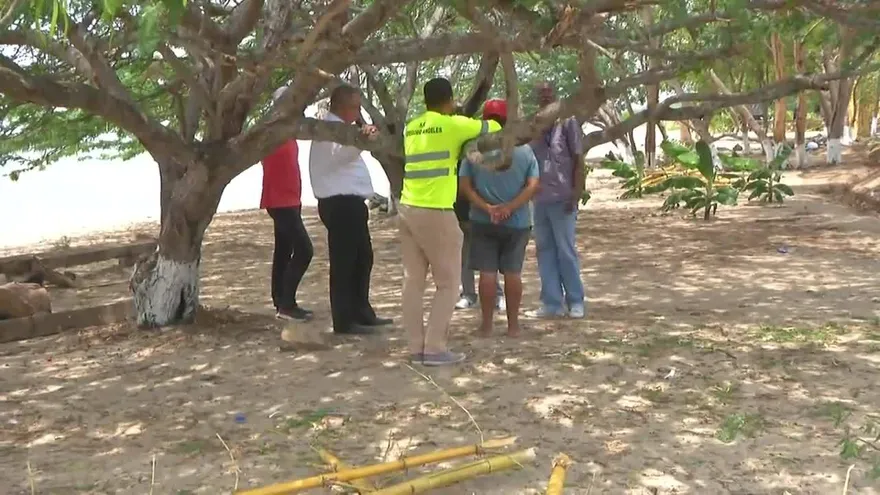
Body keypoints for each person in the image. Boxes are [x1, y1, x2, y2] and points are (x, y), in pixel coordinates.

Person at [399, 77, 502, 366]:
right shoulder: (452, 124)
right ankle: (434, 348)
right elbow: (491, 127)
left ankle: (415, 347)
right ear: (450, 100)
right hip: (436, 211)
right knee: (449, 283)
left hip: (407, 208)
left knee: (413, 282)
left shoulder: (412, 127)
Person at [309, 84, 392, 335]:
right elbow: (339, 157)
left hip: (350, 203)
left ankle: (361, 312)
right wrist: (362, 140)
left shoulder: (342, 129)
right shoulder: (331, 129)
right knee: (345, 262)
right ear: (342, 106)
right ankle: (344, 321)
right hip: (340, 202)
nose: (358, 113)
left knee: (362, 258)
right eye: (355, 107)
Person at [458, 99, 540, 338]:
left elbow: (465, 186)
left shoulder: (474, 150)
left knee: (487, 273)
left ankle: (486, 326)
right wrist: (510, 207)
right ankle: (513, 326)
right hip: (518, 223)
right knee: (513, 273)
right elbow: (533, 184)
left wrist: (487, 207)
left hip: (483, 221)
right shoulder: (524, 150)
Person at [527, 81, 587, 319]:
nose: (545, 97)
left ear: (556, 96)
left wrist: (576, 193)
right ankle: (552, 302)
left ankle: (575, 300)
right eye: (541, 94)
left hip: (563, 198)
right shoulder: (532, 125)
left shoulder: (568, 123)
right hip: (539, 199)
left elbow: (578, 160)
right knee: (544, 250)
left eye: (548, 93)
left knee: (566, 250)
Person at [261, 87, 313, 321]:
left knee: (284, 250)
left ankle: (281, 301)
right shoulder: (270, 130)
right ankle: (286, 303)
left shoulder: (288, 128)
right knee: (304, 249)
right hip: (279, 199)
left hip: (291, 198)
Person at [454, 172, 504, 312]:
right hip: (460, 211)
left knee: (489, 256)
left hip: (483, 212)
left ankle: (497, 295)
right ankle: (468, 295)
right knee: (464, 256)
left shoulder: (481, 161)